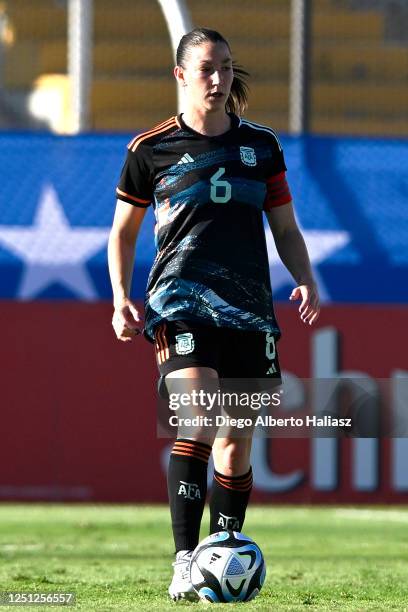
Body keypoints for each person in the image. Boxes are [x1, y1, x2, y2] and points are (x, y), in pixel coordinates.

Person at [108, 27, 320, 601]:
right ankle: (184, 560)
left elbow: (285, 227)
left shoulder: (263, 147)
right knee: (196, 417)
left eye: (226, 67)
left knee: (236, 443)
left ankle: (220, 553)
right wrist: (119, 296)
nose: (219, 78)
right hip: (180, 301)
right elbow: (122, 235)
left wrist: (304, 277)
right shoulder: (149, 150)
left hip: (250, 311)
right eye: (207, 68)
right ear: (180, 75)